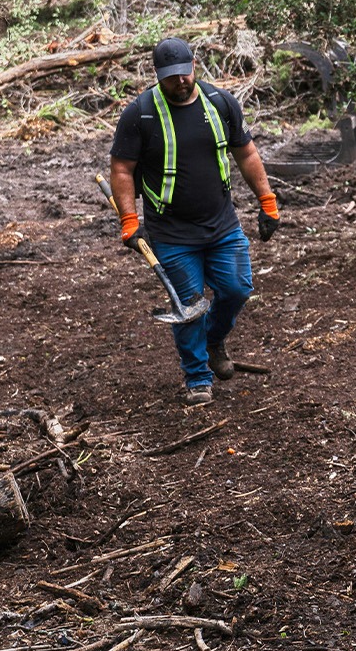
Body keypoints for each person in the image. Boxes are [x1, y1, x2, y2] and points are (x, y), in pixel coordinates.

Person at [109, 37, 281, 406]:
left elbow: (246, 153)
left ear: (194, 65)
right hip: (171, 233)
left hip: (222, 225)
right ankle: (198, 377)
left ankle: (214, 339)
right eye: (171, 77)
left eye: (184, 73)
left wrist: (266, 201)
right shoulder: (140, 114)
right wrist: (129, 219)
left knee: (237, 289)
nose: (180, 81)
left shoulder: (220, 103)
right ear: (158, 75)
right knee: (187, 306)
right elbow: (122, 169)